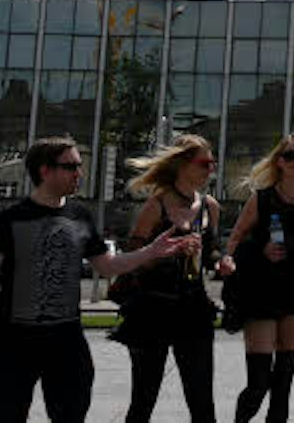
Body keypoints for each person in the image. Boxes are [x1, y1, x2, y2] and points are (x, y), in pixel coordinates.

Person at [0, 135, 192, 423]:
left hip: (67, 339)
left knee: (72, 412)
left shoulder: (80, 215)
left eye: (79, 166)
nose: (79, 173)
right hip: (17, 339)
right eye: (71, 166)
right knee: (7, 414)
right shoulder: (10, 219)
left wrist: (151, 252)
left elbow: (108, 266)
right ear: (45, 170)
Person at [218, 132, 294, 423]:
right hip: (260, 293)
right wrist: (254, 251)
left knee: (282, 388)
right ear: (279, 162)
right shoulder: (263, 199)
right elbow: (234, 241)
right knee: (258, 385)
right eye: (290, 155)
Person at [114, 133, 223, 423]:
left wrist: (222, 261)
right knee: (143, 400)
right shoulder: (157, 205)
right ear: (182, 164)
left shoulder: (210, 206)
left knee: (202, 403)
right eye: (204, 163)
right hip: (153, 310)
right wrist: (166, 253)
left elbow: (212, 254)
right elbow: (132, 258)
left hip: (194, 309)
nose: (210, 169)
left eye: (213, 163)